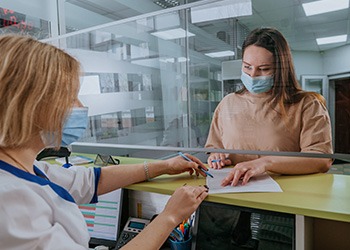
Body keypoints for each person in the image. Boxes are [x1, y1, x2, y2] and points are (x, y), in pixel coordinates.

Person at [0, 34, 208, 250]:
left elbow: (92, 181)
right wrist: (170, 217)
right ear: (29, 105)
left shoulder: (27, 169)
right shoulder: (9, 201)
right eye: (71, 97)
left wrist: (164, 166)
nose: (80, 106)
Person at [197, 27, 333, 250]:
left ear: (280, 69)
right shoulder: (228, 103)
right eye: (247, 67)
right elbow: (213, 147)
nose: (252, 76)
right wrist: (216, 156)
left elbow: (321, 159)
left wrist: (265, 162)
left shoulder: (307, 104)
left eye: (263, 69)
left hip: (280, 212)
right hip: (228, 208)